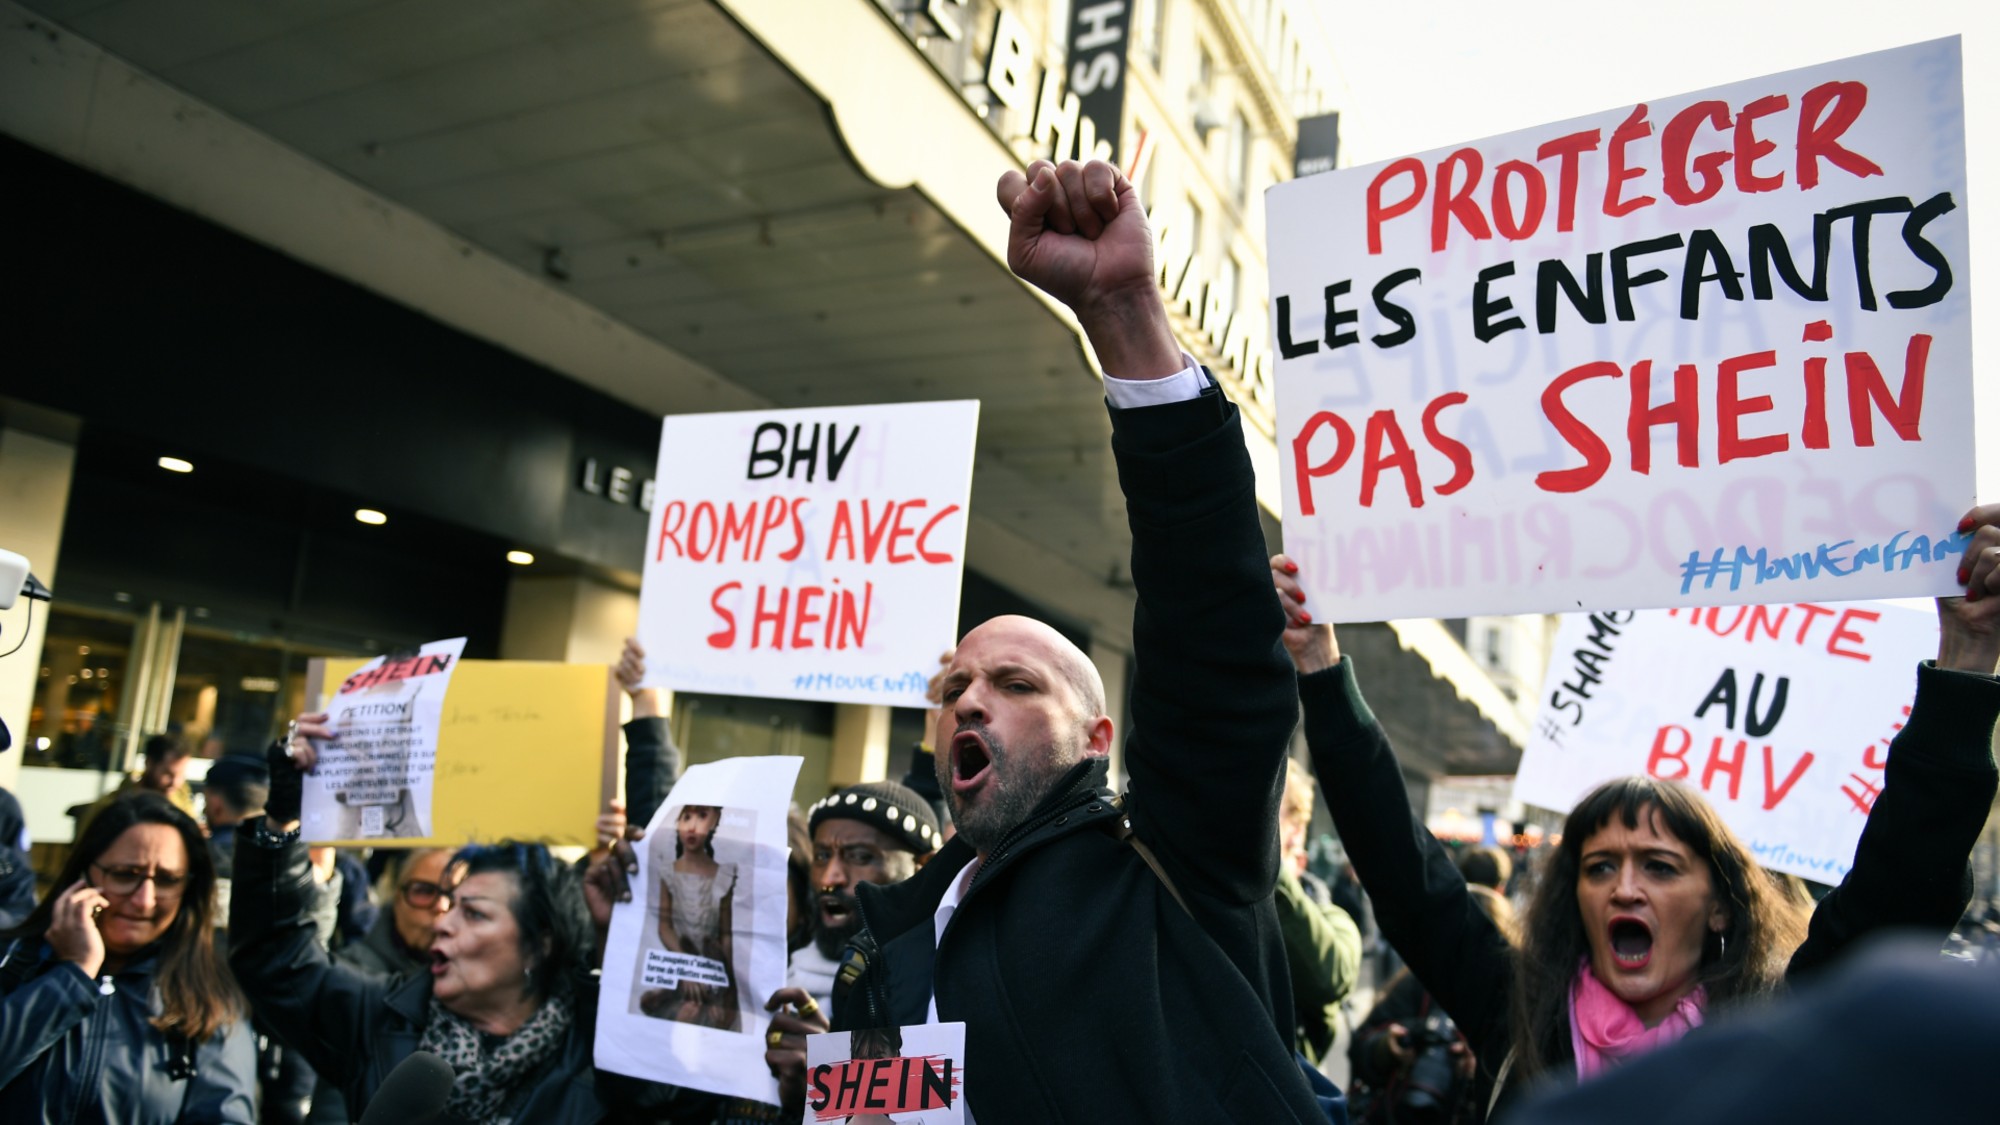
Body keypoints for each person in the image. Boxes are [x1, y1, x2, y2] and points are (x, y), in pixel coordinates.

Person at [827, 158, 1326, 1121]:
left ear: (1099, 739)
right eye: (952, 687)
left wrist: (1126, 319)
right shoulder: (884, 942)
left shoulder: (1171, 864)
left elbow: (1213, 649)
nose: (968, 699)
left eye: (1015, 682)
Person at [1271, 521, 2000, 1114]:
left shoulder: (1780, 1024)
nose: (1624, 886)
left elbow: (1903, 882)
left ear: (1720, 907)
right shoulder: (1520, 1011)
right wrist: (1322, 668)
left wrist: (1967, 661)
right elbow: (1403, 867)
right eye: (1600, 866)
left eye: (1658, 865)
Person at [234, 721, 711, 1124]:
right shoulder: (378, 1018)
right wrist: (283, 824)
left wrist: (625, 932)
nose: (443, 921)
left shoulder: (600, 1049)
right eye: (448, 903)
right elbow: (277, 962)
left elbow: (674, 1091)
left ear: (538, 944)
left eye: (474, 913)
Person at [0, 791, 256, 1123]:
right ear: (84, 874)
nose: (144, 900)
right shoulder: (14, 963)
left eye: (166, 880)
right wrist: (72, 976)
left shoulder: (209, 1001)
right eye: (125, 875)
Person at [1349, 859, 1518, 1125]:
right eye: (1457, 945)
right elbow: (1360, 1048)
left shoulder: (1517, 1003)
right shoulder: (1419, 983)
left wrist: (1486, 1072)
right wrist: (1388, 1047)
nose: (1466, 961)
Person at [791, 781, 941, 1011]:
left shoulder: (937, 991)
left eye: (860, 857)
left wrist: (834, 1046)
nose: (829, 879)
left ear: (922, 868)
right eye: (821, 856)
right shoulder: (778, 971)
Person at [1275, 758, 1362, 1065]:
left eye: (1269, 805)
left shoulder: (1331, 918)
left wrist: (1269, 867)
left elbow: (1330, 977)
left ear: (1295, 832)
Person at [639, 803, 740, 1030]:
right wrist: (685, 966)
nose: (692, 827)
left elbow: (726, 935)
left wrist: (723, 986)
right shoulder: (669, 872)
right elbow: (664, 927)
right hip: (680, 962)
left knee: (716, 1023)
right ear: (676, 823)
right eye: (686, 817)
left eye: (702, 816)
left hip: (714, 968)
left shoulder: (723, 876)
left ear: (715, 821)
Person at [70, 733, 198, 835]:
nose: (174, 783)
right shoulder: (112, 806)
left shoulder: (183, 806)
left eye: (180, 775)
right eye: (167, 774)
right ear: (149, 763)